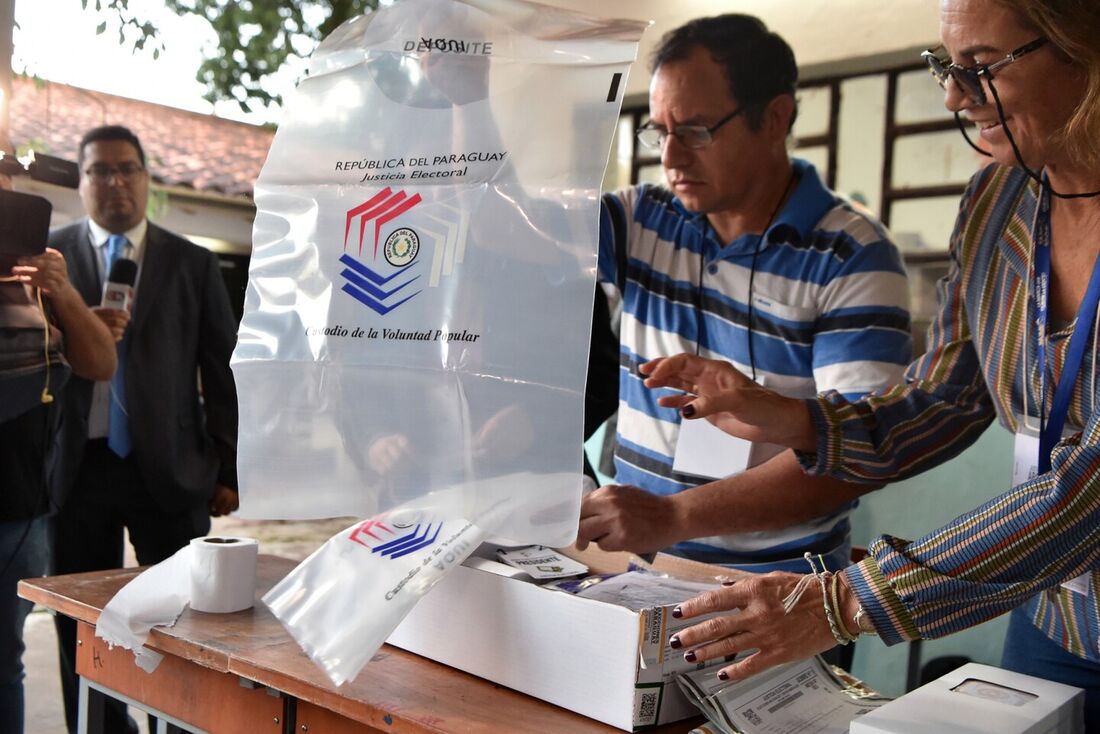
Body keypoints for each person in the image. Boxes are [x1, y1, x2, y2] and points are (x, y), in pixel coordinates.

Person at [640, 0, 1100, 725]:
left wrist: (848, 598)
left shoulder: (851, 250)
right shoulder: (1000, 200)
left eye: (982, 67)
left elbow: (1092, 486)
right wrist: (793, 417)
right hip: (1055, 612)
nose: (954, 95)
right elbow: (944, 397)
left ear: (1084, 47)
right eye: (948, 68)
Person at [576, 14, 912, 573]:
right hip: (636, 571)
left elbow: (854, 458)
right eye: (661, 133)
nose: (672, 158)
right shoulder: (642, 222)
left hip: (774, 590)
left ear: (775, 117)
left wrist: (673, 515)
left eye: (697, 132)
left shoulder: (851, 258)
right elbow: (513, 230)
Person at [49, 125, 240, 733]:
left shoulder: (192, 262)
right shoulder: (48, 261)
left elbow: (222, 369)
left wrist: (228, 465)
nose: (115, 182)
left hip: (172, 467)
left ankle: (180, 722)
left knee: (184, 617)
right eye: (99, 170)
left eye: (127, 169)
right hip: (78, 467)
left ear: (147, 179)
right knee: (81, 618)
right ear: (80, 182)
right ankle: (104, 727)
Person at [0, 159, 117, 732]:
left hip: (20, 509)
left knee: (3, 665)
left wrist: (64, 294)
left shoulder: (35, 276)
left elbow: (101, 362)